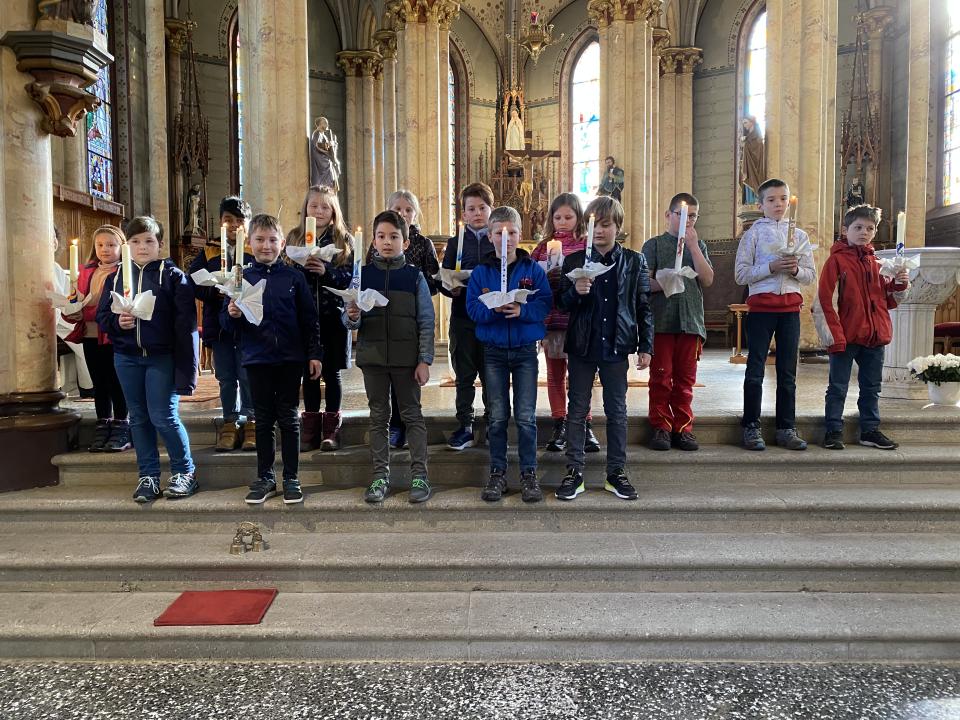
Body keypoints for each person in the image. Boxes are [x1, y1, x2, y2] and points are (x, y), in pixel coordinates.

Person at [556, 196, 654, 501]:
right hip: (583, 346)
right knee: (577, 410)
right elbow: (560, 303)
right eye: (593, 224)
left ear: (617, 227)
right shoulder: (574, 261)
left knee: (617, 411)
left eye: (605, 224)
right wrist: (575, 292)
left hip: (616, 345)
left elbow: (643, 306)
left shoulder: (635, 261)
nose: (598, 230)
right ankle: (574, 471)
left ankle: (616, 473)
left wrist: (646, 345)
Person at [95, 217, 199, 503]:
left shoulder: (173, 276)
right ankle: (149, 476)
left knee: (163, 416)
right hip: (126, 358)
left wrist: (187, 372)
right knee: (138, 418)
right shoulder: (116, 276)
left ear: (160, 245)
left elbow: (186, 327)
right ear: (127, 245)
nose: (142, 247)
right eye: (135, 241)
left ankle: (184, 472)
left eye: (149, 241)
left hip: (160, 358)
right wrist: (119, 323)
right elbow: (102, 317)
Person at [224, 214, 322, 505]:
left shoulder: (294, 277)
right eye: (259, 240)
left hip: (291, 358)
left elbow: (309, 319)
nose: (266, 246)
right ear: (249, 242)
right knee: (263, 420)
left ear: (282, 243)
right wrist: (232, 315)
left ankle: (291, 477)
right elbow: (228, 326)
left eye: (272, 240)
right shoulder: (241, 278)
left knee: (289, 419)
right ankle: (265, 477)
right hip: (257, 358)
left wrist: (314, 353)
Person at [345, 210, 435, 504]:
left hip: (407, 359)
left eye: (394, 237)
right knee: (379, 417)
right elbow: (349, 322)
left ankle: (420, 475)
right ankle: (380, 477)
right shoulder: (362, 276)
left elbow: (425, 319)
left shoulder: (413, 277)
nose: (387, 242)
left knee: (412, 416)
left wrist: (425, 359)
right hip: (373, 357)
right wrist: (352, 316)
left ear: (406, 243)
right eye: (381, 236)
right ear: (372, 241)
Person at [466, 206, 553, 503]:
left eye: (512, 233)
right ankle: (497, 473)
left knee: (526, 416)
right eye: (500, 233)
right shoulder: (481, 272)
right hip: (493, 352)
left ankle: (529, 474)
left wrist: (522, 310)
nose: (506, 239)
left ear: (520, 235)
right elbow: (473, 309)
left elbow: (544, 305)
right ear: (490, 236)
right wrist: (493, 308)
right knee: (499, 416)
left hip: (525, 352)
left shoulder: (532, 270)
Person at [815, 204, 910, 450]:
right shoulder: (835, 262)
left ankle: (869, 430)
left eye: (870, 228)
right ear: (845, 230)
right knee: (838, 386)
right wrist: (834, 336)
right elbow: (826, 301)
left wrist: (898, 285)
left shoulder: (878, 264)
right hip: (845, 337)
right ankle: (833, 430)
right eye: (858, 227)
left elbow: (886, 300)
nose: (864, 232)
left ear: (875, 232)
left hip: (874, 337)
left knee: (871, 387)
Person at [734, 178, 816, 451]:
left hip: (790, 310)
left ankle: (786, 427)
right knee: (755, 368)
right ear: (760, 205)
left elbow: (809, 276)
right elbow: (741, 274)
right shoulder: (753, 235)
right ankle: (751, 426)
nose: (778, 204)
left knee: (787, 371)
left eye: (783, 198)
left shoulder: (800, 236)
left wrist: (793, 270)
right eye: (771, 199)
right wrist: (771, 266)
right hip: (761, 309)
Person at [365, 189, 440, 450]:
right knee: (380, 406)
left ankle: (415, 459)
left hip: (408, 314)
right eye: (398, 209)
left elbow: (433, 279)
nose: (403, 213)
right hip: (378, 333)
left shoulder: (422, 243)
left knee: (408, 398)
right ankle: (392, 433)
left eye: (408, 209)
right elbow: (363, 287)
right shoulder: (372, 259)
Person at [642, 193, 715, 452]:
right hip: (662, 320)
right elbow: (643, 284)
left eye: (693, 216)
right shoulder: (654, 245)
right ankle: (661, 426)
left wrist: (693, 246)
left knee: (685, 379)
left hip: (690, 320)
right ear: (668, 216)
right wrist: (665, 282)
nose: (688, 220)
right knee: (661, 377)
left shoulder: (700, 245)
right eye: (682, 215)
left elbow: (706, 280)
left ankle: (683, 428)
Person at [530, 192, 599, 453]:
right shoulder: (541, 246)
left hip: (577, 319)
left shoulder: (586, 245)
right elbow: (531, 278)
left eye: (568, 217)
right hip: (552, 320)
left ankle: (583, 423)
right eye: (557, 217)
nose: (562, 222)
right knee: (555, 374)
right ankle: (559, 421)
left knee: (581, 375)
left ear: (578, 217)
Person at [288, 185, 353, 451]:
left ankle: (331, 428)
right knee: (309, 374)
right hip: (303, 318)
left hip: (333, 317)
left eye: (325, 206)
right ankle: (311, 427)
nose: (319, 210)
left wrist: (325, 272)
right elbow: (286, 275)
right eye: (314, 205)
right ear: (305, 209)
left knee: (332, 373)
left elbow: (349, 278)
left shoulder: (342, 240)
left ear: (334, 211)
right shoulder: (294, 236)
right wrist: (302, 269)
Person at [188, 196, 255, 452]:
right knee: (226, 377)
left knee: (247, 375)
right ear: (220, 222)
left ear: (247, 224)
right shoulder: (209, 251)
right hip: (219, 326)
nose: (234, 226)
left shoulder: (254, 248)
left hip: (248, 326)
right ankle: (230, 422)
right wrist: (216, 292)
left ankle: (251, 421)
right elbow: (193, 282)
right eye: (229, 220)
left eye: (240, 221)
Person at [439, 182, 496, 451]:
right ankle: (465, 425)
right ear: (463, 213)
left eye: (482, 208)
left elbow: (503, 273)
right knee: (464, 374)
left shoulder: (498, 239)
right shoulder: (454, 242)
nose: (476, 213)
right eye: (471, 209)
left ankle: (493, 423)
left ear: (491, 209)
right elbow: (445, 277)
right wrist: (450, 287)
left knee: (490, 374)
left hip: (489, 317)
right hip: (462, 317)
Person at [63, 226, 128, 452]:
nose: (105, 250)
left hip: (113, 335)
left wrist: (88, 311)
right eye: (100, 245)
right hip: (91, 333)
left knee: (116, 381)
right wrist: (72, 310)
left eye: (111, 245)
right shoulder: (86, 271)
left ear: (122, 247)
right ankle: (103, 423)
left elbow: (114, 305)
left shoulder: (125, 271)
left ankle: (121, 423)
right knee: (98, 382)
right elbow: (77, 299)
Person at [309, 116, 341, 191]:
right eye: (325, 123)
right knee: (330, 171)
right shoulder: (317, 133)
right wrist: (328, 145)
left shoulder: (323, 134)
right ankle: (326, 188)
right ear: (319, 124)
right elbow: (316, 145)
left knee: (334, 171)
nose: (327, 124)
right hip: (321, 161)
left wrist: (332, 144)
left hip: (325, 158)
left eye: (327, 123)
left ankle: (328, 188)